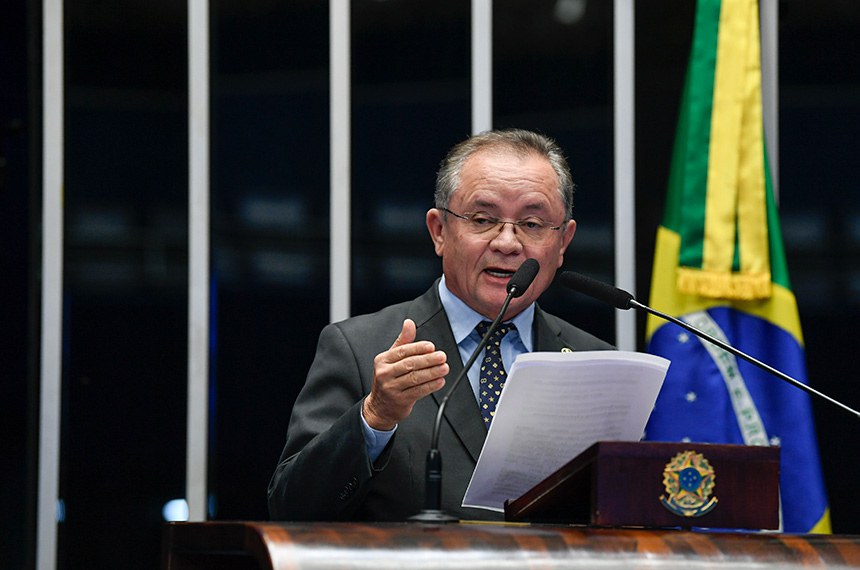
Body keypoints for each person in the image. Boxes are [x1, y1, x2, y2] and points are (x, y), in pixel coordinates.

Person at [267, 128, 613, 522]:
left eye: (532, 224)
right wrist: (375, 417)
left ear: (563, 241)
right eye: (483, 219)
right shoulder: (360, 348)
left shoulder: (598, 363)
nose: (507, 242)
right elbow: (291, 507)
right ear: (439, 231)